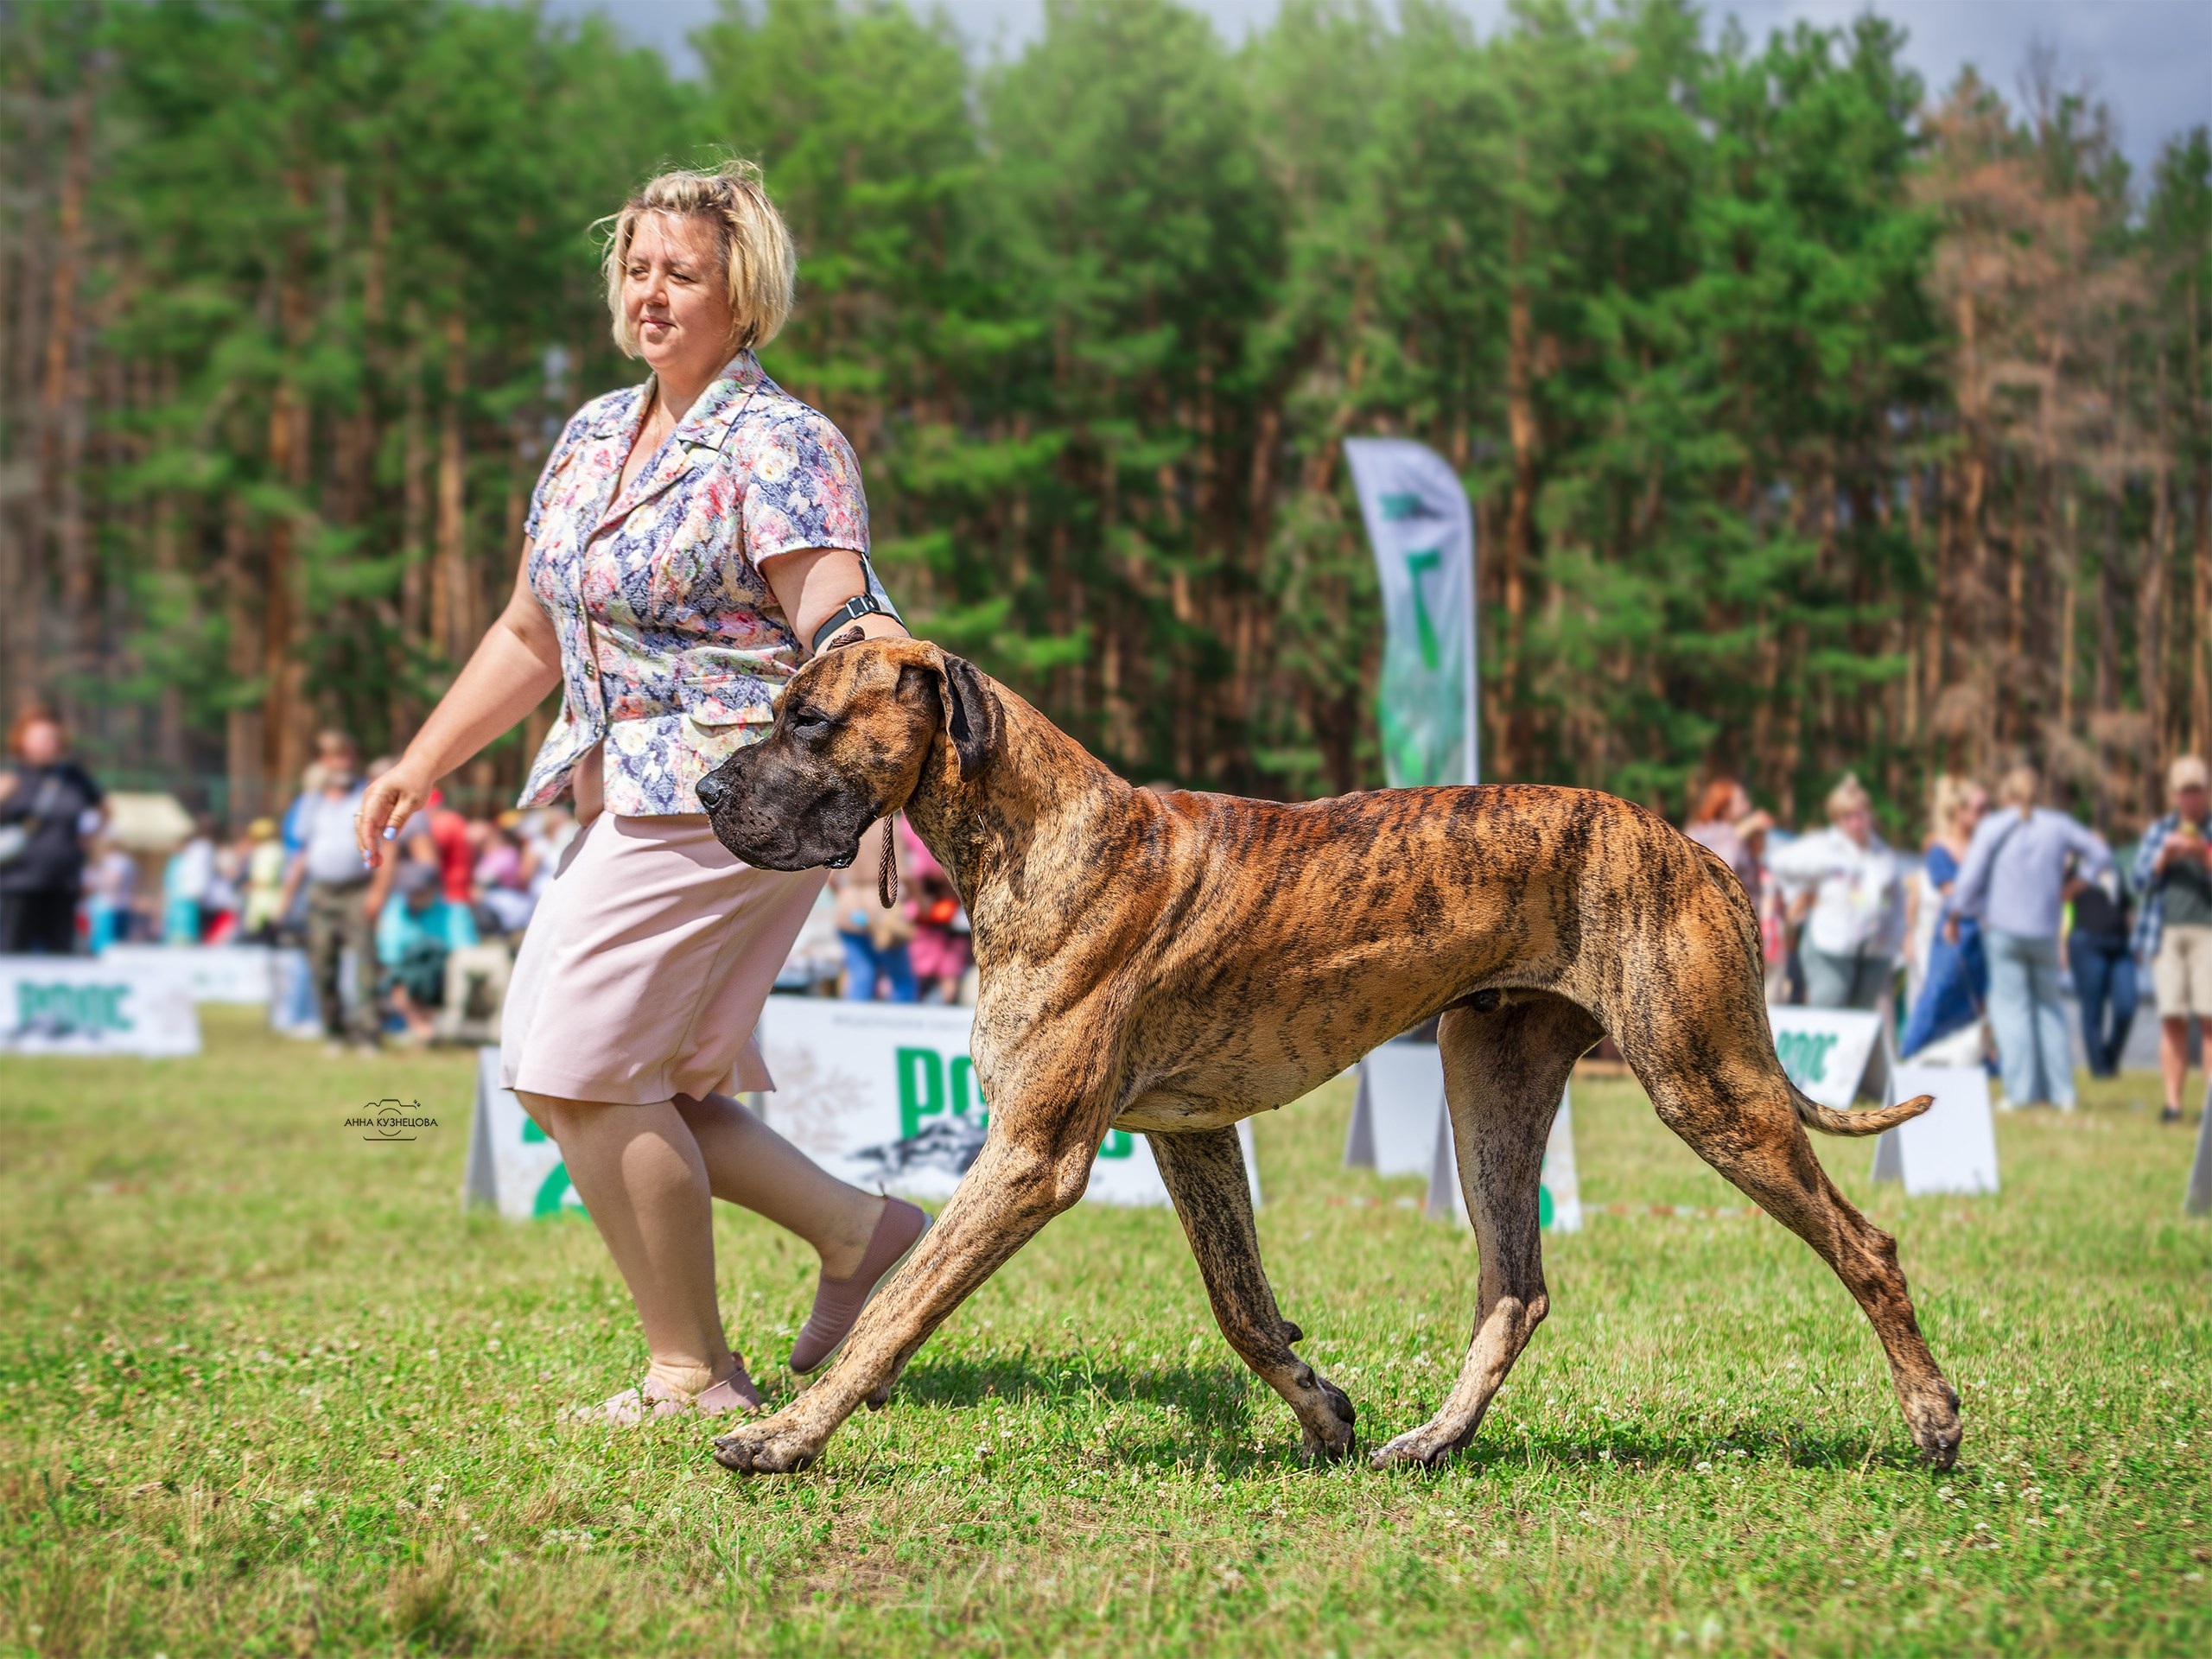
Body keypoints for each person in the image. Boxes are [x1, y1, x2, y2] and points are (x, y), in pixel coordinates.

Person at [353, 159, 927, 1424]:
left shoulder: (783, 442)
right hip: (626, 792)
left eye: (682, 272)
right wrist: (419, 761)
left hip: (739, 796)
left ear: (746, 297)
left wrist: (883, 764)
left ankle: (694, 1373)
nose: (649, 292)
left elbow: (839, 607)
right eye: (635, 267)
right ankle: (864, 1237)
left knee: (578, 1067)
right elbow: (529, 632)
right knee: (635, 1077)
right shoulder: (593, 434)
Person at [1948, 766, 2111, 1111]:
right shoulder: (2058, 824)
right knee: (2049, 1010)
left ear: (2006, 794)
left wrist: (1956, 912)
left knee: (2012, 1012)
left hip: (2004, 931)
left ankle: (2021, 1093)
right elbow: (2101, 855)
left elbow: (1970, 877)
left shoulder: (1993, 826)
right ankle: (2062, 1094)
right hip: (2045, 931)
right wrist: (2075, 885)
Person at [279, 731, 392, 1052]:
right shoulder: (309, 803)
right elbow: (300, 853)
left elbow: (386, 845)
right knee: (321, 962)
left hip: (357, 889)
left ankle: (369, 1033)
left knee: (365, 963)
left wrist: (379, 893)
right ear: (322, 762)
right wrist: (286, 899)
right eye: (333, 756)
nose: (340, 762)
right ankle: (335, 1031)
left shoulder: (366, 798)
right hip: (321, 891)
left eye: (345, 755)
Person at [1766, 773, 1904, 1010]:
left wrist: (1897, 939)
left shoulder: (1883, 854)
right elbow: (1778, 863)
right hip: (1829, 943)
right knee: (1829, 1004)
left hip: (1874, 948)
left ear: (1869, 814)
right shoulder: (1823, 846)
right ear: (1836, 820)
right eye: (1846, 817)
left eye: (1859, 814)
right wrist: (1803, 891)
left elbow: (1889, 901)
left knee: (1862, 1015)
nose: (1855, 823)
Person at [2133, 754, 2212, 1122]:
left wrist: (2203, 855)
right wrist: (2163, 858)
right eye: (2185, 792)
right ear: (2174, 795)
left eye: (2197, 791)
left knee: (2209, 1019)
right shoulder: (2160, 831)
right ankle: (2173, 1104)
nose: (2191, 800)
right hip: (2166, 935)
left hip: (2207, 933)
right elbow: (2138, 884)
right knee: (2172, 1019)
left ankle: (2209, 1108)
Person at [0, 709, 105, 955]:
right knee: (12, 952)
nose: (50, 743)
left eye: (54, 737)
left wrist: (90, 844)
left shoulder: (73, 777)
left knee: (61, 955)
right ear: (22, 739)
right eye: (42, 737)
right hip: (17, 881)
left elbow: (104, 812)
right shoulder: (10, 774)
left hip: (64, 881)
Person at [1899, 776, 1989, 1059]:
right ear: (1959, 813)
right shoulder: (1940, 850)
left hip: (1984, 931)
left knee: (1980, 999)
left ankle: (1984, 1060)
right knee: (1937, 994)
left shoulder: (1984, 847)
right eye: (1979, 809)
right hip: (1954, 931)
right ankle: (1910, 1054)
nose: (1985, 816)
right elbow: (1953, 892)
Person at [377, 858, 480, 1042]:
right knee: (399, 980)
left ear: (434, 888)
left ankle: (438, 1028)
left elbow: (464, 951)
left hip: (445, 972)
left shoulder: (455, 911)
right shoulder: (396, 910)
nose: (415, 896)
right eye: (411, 891)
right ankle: (420, 1028)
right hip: (409, 973)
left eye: (420, 890)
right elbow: (390, 955)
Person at [835, 818, 917, 1001]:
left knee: (861, 974)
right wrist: (921, 901)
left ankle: (853, 1025)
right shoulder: (890, 828)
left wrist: (845, 896)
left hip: (850, 906)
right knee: (901, 978)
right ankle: (903, 1026)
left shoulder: (848, 825)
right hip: (881, 906)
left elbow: (832, 878)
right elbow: (903, 874)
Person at [2068, 858, 2135, 1080]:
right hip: (2087, 944)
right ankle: (2100, 1070)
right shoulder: (2076, 870)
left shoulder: (2116, 870)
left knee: (2126, 1005)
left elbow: (2127, 906)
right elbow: (2062, 895)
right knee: (2092, 1010)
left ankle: (2109, 1059)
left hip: (2120, 945)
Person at [1683, 776, 1772, 908]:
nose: (1748, 806)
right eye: (1742, 801)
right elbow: (1721, 872)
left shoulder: (1737, 836)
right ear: (1725, 809)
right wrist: (1746, 828)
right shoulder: (1702, 835)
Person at [239, 817, 289, 941]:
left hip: (264, 904)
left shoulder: (266, 851)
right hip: (273, 903)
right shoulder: (279, 849)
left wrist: (250, 885)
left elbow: (265, 878)